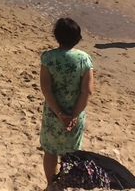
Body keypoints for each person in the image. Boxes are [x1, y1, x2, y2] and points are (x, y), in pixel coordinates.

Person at [39, 17, 94, 185]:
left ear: (56, 36)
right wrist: (73, 115)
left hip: (54, 114)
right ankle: (66, 183)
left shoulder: (48, 58)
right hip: (75, 114)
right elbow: (87, 91)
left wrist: (61, 114)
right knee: (70, 154)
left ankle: (51, 185)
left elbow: (46, 89)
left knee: (50, 151)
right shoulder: (84, 59)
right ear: (77, 37)